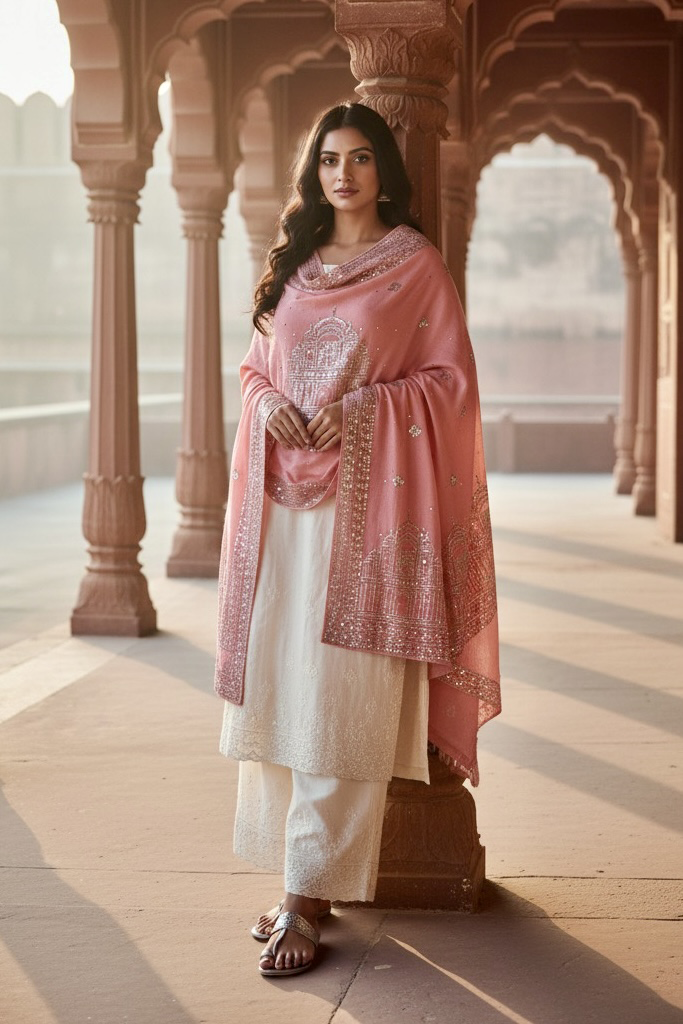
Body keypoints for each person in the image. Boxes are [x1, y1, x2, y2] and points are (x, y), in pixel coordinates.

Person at [215, 102, 500, 978]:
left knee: (343, 700)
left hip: (370, 517)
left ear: (384, 173)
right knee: (280, 692)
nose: (344, 174)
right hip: (282, 518)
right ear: (316, 173)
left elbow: (449, 382)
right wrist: (269, 407)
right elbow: (257, 368)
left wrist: (358, 413)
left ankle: (305, 896)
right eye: (330, 159)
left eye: (362, 159)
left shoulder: (414, 267)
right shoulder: (294, 267)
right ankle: (302, 875)